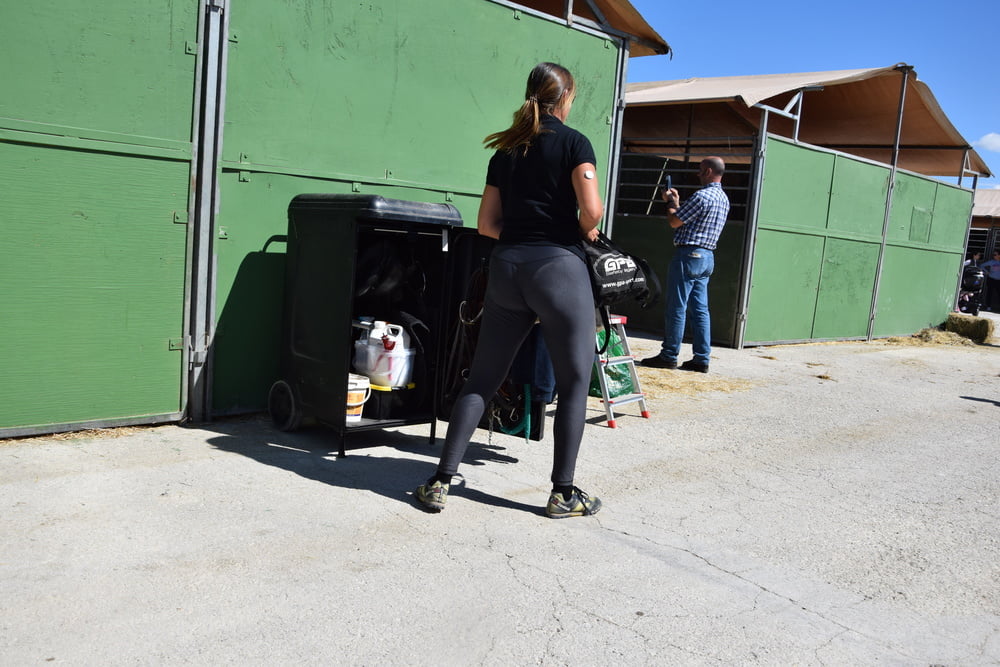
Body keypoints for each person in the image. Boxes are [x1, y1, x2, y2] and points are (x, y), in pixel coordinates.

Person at [414, 62, 604, 519]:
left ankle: (440, 482)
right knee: (575, 381)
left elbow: (486, 225)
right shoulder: (576, 143)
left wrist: (524, 236)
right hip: (558, 269)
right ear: (566, 98)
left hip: (507, 270)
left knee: (482, 377)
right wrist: (575, 232)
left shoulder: (506, 151)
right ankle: (563, 493)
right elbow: (592, 211)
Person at [641, 157, 730, 373]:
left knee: (676, 307)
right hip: (707, 257)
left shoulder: (702, 196)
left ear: (708, 171)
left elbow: (674, 221)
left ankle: (669, 355)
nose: (698, 174)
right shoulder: (723, 198)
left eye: (700, 171)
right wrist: (677, 203)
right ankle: (701, 358)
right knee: (701, 310)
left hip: (689, 254)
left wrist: (669, 201)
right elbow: (685, 218)